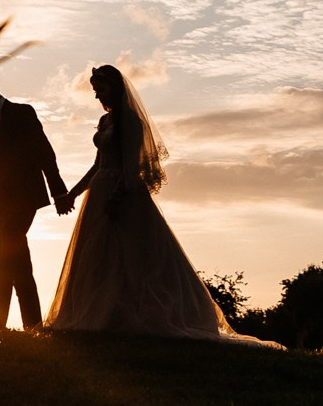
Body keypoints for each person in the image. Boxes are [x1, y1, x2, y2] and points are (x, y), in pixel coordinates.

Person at [46, 63, 276, 344]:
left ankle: (134, 316)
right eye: (95, 91)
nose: (98, 96)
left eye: (101, 90)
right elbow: (97, 166)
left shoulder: (130, 121)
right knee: (97, 259)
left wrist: (118, 197)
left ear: (115, 88)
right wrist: (73, 193)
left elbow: (131, 166)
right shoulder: (106, 122)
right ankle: (98, 315)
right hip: (100, 192)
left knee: (132, 258)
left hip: (124, 193)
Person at [0, 66, 68, 330]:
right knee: (16, 261)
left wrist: (59, 192)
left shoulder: (23, 113)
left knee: (3, 256)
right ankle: (32, 325)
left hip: (25, 199)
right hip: (0, 205)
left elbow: (45, 153)